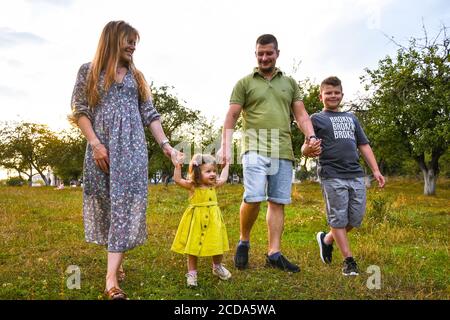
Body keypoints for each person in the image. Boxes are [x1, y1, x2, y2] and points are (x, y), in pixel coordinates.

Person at [69, 20, 178, 299]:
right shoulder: (89, 71)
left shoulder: (137, 77)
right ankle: (116, 266)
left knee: (124, 206)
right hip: (102, 148)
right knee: (107, 204)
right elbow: (80, 110)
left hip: (132, 150)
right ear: (112, 39)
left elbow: (150, 115)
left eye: (134, 42)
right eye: (128, 40)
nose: (132, 46)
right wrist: (95, 144)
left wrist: (166, 145)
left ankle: (111, 282)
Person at [219, 34, 321, 273]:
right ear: (255, 54)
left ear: (277, 53)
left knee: (277, 201)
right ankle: (244, 240)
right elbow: (231, 116)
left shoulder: (290, 83)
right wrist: (225, 146)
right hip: (254, 147)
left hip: (282, 148)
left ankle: (274, 253)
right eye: (260, 54)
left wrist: (312, 136)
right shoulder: (244, 83)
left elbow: (301, 115)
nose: (264, 57)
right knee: (253, 195)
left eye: (269, 53)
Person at [302, 76, 385, 276]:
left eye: (336, 92)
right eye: (328, 93)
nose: (333, 96)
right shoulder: (316, 119)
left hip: (356, 174)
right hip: (332, 175)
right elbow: (305, 146)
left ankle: (327, 239)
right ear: (320, 95)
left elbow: (363, 145)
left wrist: (375, 170)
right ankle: (349, 261)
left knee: (355, 218)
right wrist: (307, 150)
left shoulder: (352, 118)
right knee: (338, 217)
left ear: (342, 95)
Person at [171, 154, 231, 287]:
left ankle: (217, 266)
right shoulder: (193, 186)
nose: (213, 174)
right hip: (196, 221)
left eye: (214, 171)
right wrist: (177, 166)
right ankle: (192, 273)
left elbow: (224, 178)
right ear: (198, 173)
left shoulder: (214, 185)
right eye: (208, 171)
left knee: (217, 244)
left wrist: (226, 165)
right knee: (193, 247)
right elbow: (177, 180)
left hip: (213, 221)